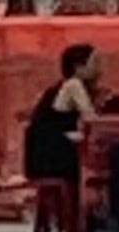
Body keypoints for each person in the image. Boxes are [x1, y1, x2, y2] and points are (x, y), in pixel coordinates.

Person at [23, 41, 99, 192]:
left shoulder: (64, 85)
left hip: (41, 156)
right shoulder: (73, 85)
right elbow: (91, 118)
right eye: (95, 62)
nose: (99, 68)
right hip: (50, 158)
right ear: (78, 67)